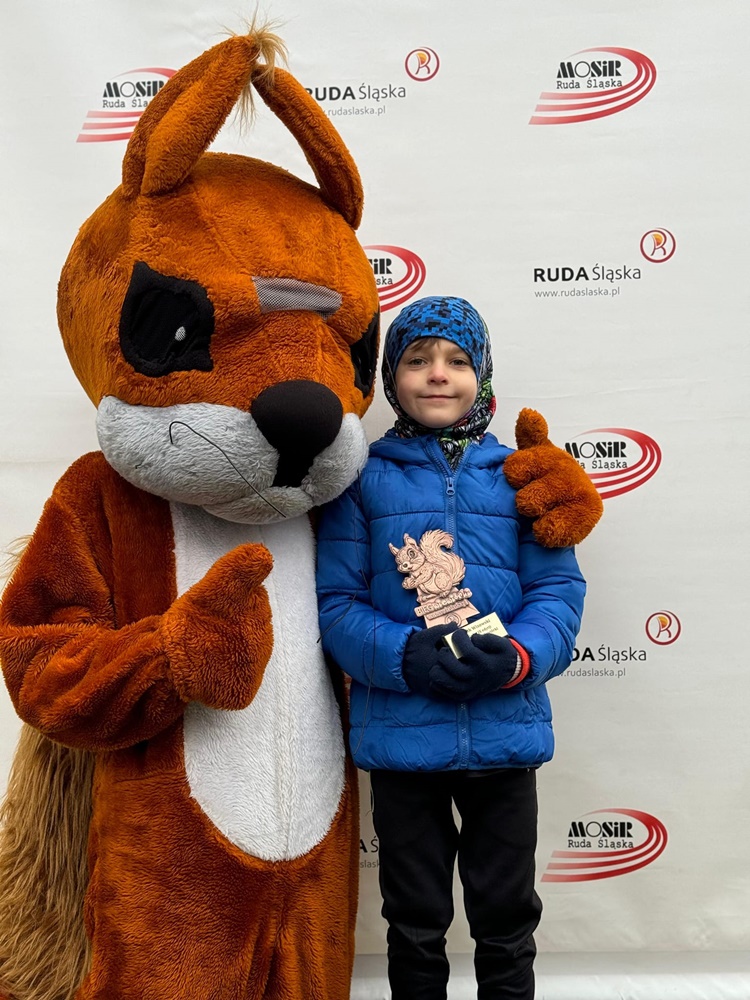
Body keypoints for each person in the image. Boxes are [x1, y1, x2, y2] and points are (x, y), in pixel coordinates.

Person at [316, 296, 586, 1000]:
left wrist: (519, 656)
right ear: (391, 377)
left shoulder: (522, 476)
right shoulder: (359, 481)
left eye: (457, 360)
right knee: (413, 921)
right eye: (417, 359)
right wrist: (404, 656)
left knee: (507, 919)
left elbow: (558, 592)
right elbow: (336, 605)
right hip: (402, 743)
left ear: (482, 374)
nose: (438, 374)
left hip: (505, 739)